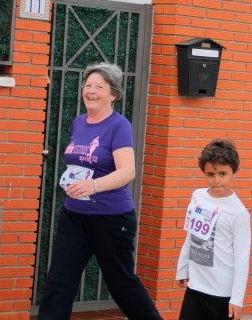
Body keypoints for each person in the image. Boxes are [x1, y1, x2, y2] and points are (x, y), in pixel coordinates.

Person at [38, 62, 162, 320]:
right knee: (58, 284)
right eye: (87, 85)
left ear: (113, 94)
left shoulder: (119, 126)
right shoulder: (78, 123)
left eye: (99, 87)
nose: (90, 91)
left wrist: (93, 185)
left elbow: (127, 171)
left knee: (121, 285)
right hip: (74, 215)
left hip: (111, 219)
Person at [176, 139, 251, 320]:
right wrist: (182, 267)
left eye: (222, 174)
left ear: (234, 172)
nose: (216, 180)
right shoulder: (198, 196)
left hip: (221, 293)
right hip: (195, 287)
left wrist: (237, 299)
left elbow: (242, 257)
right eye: (210, 174)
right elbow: (191, 235)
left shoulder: (239, 213)